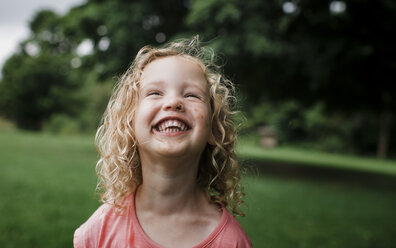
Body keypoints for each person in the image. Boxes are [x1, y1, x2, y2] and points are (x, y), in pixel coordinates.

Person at [74, 36, 252, 248]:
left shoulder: (231, 242)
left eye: (192, 95)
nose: (173, 102)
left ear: (214, 130)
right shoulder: (99, 232)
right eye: (155, 93)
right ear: (129, 124)